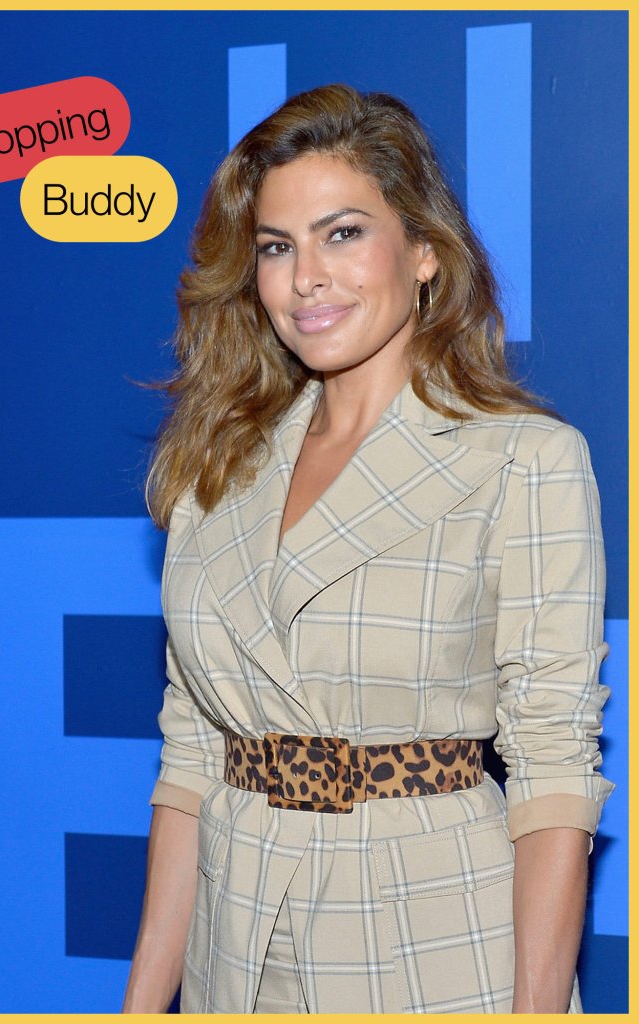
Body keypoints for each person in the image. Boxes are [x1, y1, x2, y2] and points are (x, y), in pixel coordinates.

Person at [121, 84, 613, 1014]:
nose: (306, 277)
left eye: (342, 233)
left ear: (424, 251)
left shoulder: (522, 460)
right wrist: (143, 1005)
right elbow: (191, 760)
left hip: (433, 946)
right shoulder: (214, 468)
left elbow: (552, 770)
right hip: (236, 943)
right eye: (277, 247)